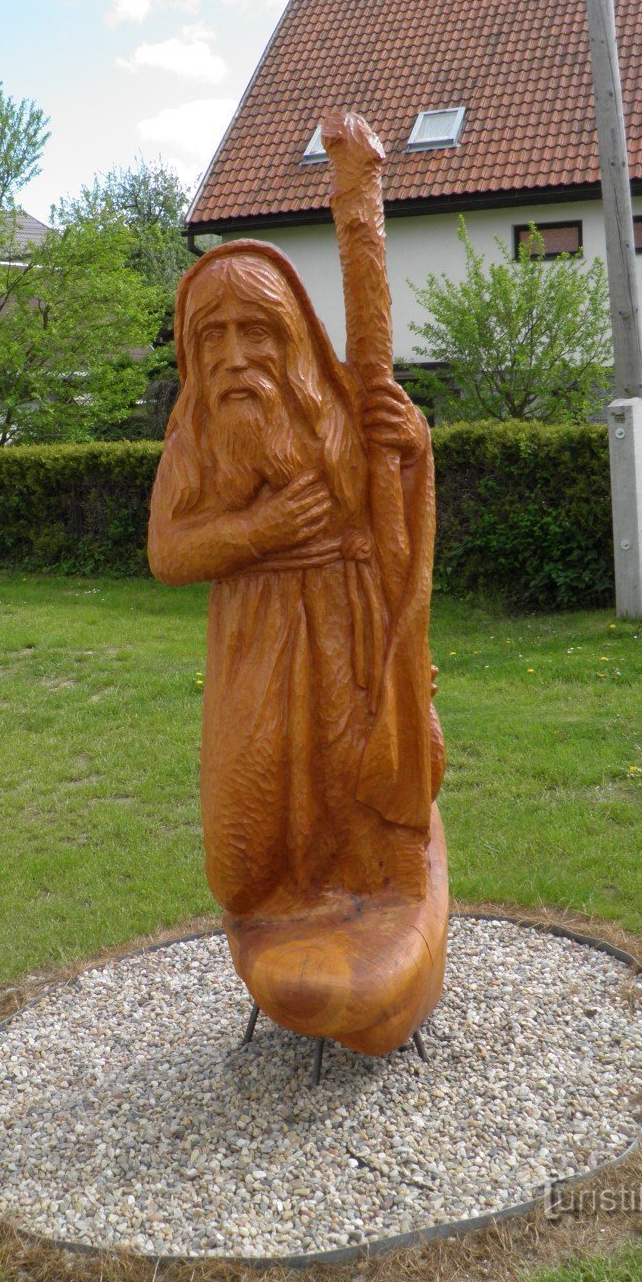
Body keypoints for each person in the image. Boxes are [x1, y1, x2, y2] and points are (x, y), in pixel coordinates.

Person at [149, 229, 447, 1057]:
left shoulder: (341, 404)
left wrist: (413, 449)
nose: (237, 357)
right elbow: (168, 554)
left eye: (257, 332)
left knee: (358, 798)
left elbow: (395, 512)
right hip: (255, 650)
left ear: (291, 335)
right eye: (214, 337)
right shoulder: (197, 435)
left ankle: (379, 892)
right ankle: (301, 911)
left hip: (346, 644)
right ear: (192, 351)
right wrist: (258, 529)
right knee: (242, 866)